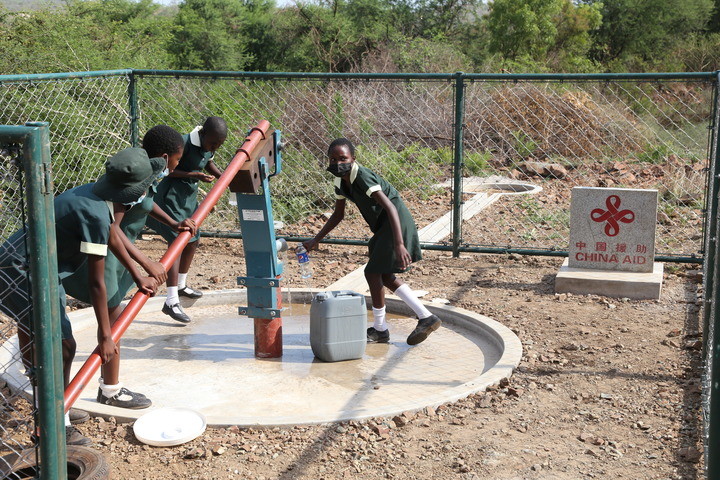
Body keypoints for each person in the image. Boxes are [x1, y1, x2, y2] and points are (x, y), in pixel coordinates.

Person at [0, 148, 166, 445]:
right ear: (131, 193)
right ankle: (53, 423)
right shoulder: (93, 213)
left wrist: (141, 270)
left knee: (46, 339)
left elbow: (112, 231)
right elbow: (96, 283)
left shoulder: (94, 194)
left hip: (34, 267)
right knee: (62, 346)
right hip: (19, 271)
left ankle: (53, 405)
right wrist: (105, 336)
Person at [62, 125, 196, 410]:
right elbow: (112, 230)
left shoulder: (142, 173)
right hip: (108, 256)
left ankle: (103, 388)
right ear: (163, 156)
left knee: (115, 316)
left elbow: (146, 204)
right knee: (113, 321)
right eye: (176, 160)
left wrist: (174, 222)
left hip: (118, 255)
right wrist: (144, 264)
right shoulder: (128, 182)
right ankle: (110, 390)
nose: (177, 166)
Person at [302, 138, 442, 346]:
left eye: (343, 158)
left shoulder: (362, 176)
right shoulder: (340, 181)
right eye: (333, 159)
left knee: (372, 272)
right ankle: (426, 317)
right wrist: (316, 239)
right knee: (385, 276)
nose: (338, 163)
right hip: (384, 226)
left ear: (353, 158)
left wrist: (399, 244)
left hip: (395, 222)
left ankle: (380, 329)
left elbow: (391, 207)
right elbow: (338, 215)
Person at [146, 117, 228, 323]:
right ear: (203, 134)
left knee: (194, 238)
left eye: (219, 145)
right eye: (213, 143)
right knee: (178, 242)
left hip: (187, 198)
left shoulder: (209, 144)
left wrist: (224, 176)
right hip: (170, 197)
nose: (215, 147)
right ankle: (171, 301)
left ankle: (181, 286)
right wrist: (195, 175)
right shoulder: (183, 143)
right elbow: (168, 171)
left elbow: (208, 161)